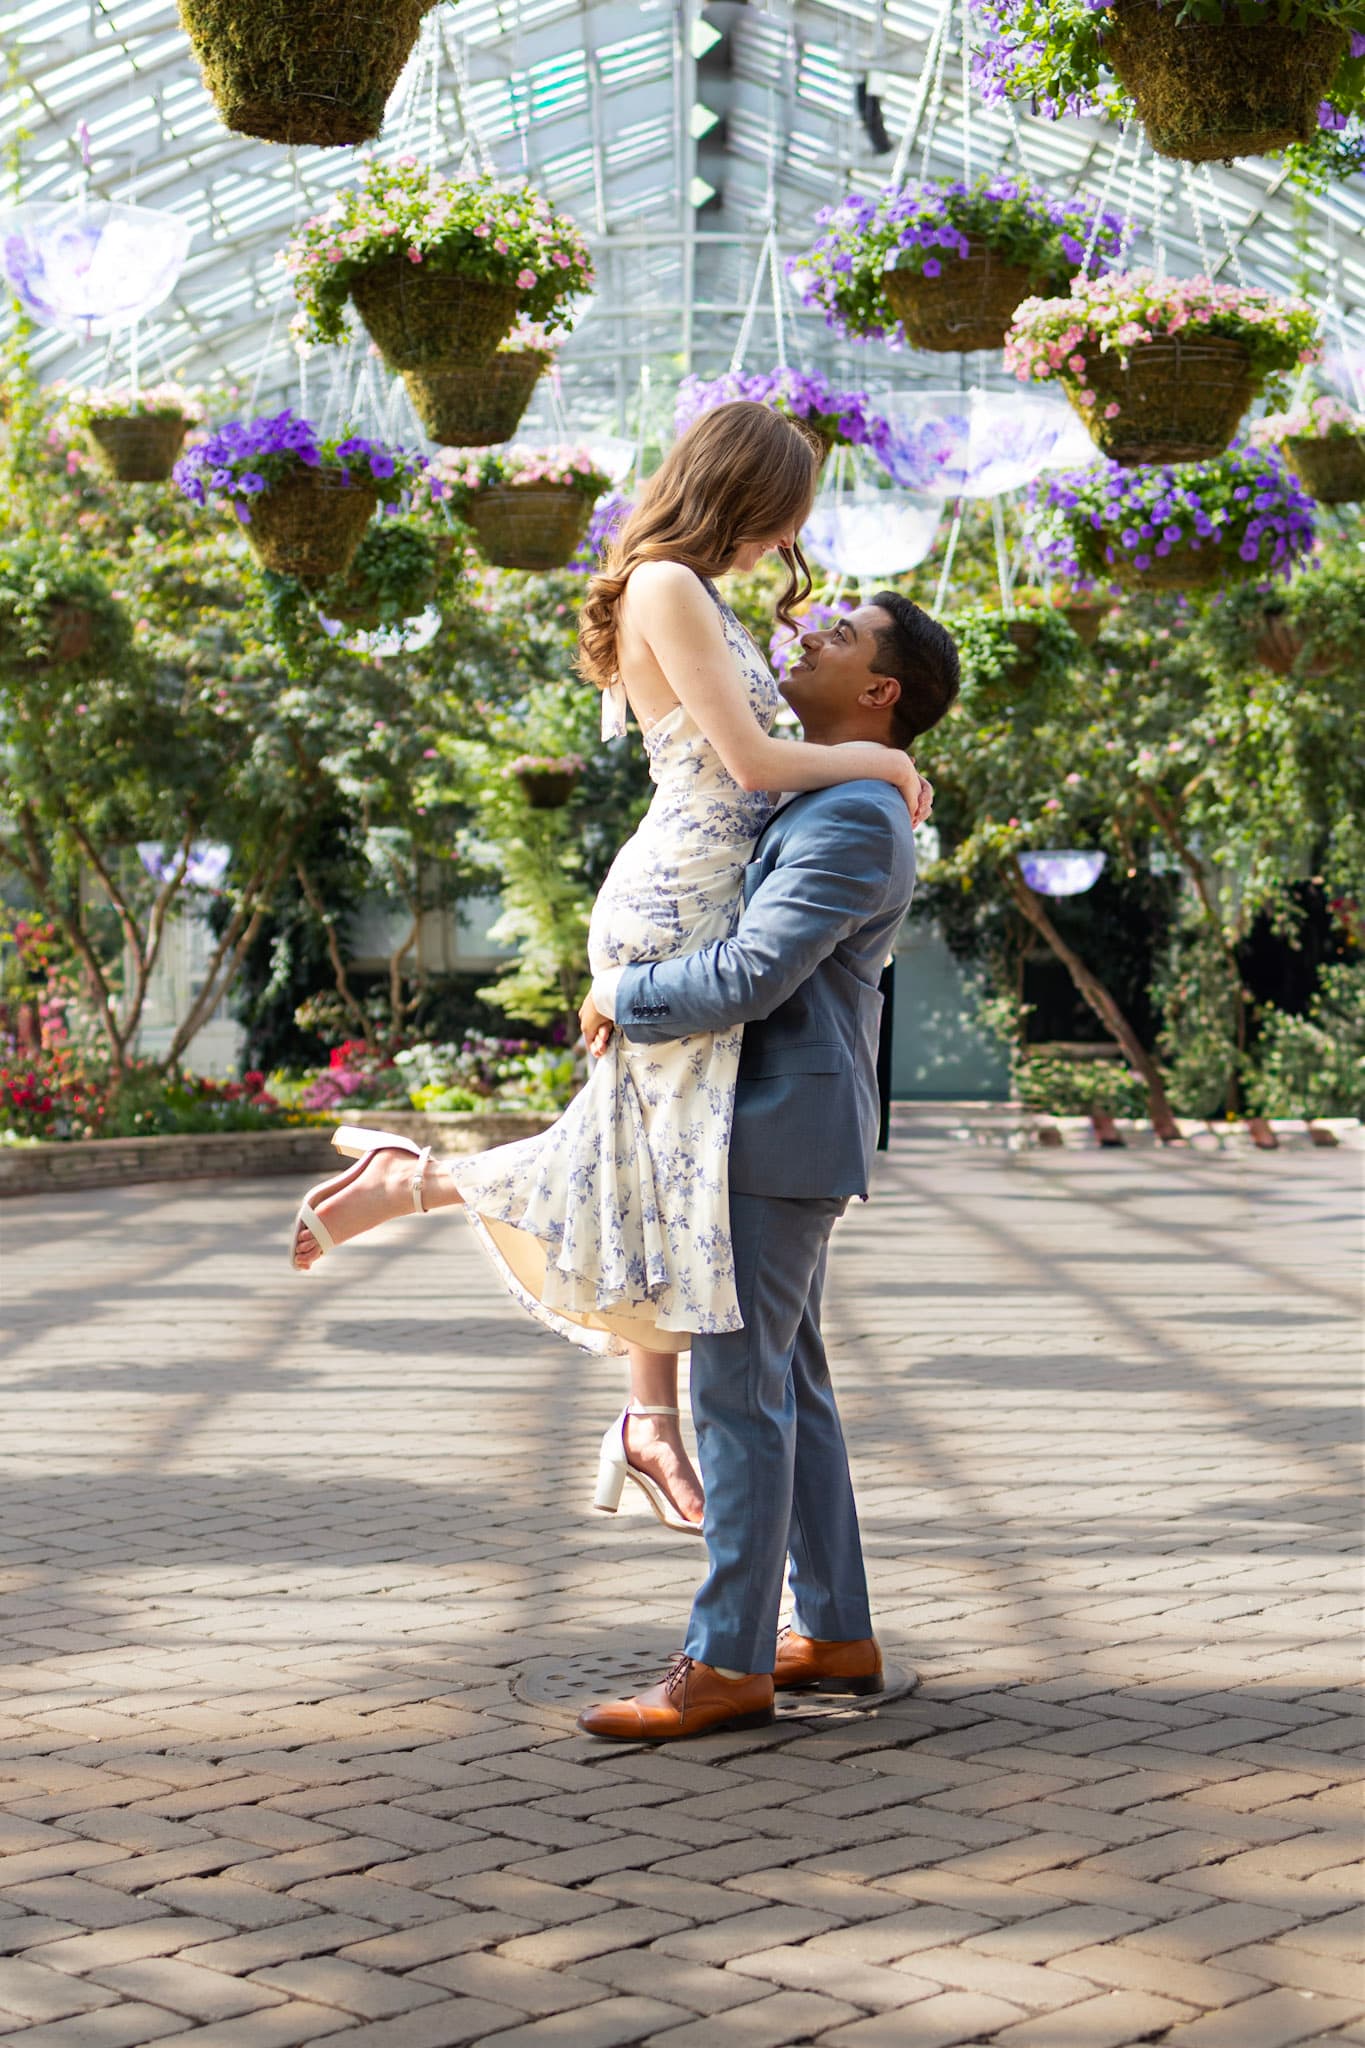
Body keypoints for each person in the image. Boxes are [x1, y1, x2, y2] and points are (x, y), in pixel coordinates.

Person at [288, 401, 928, 1536]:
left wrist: (864, 761)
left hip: (695, 890)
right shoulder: (668, 586)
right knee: (657, 1176)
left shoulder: (692, 589)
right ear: (735, 489)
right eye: (777, 517)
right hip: (678, 897)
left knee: (647, 1171)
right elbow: (748, 762)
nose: (781, 543)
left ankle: (633, 1402)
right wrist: (881, 756)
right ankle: (636, 1405)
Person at [573, 588, 960, 1739]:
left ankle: (727, 1660)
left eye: (839, 638)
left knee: (739, 1396)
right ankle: (834, 1630)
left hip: (773, 1132)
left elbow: (750, 974)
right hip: (773, 1127)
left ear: (879, 693)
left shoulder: (849, 816)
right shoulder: (834, 792)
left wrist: (620, 994)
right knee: (791, 1387)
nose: (809, 637)